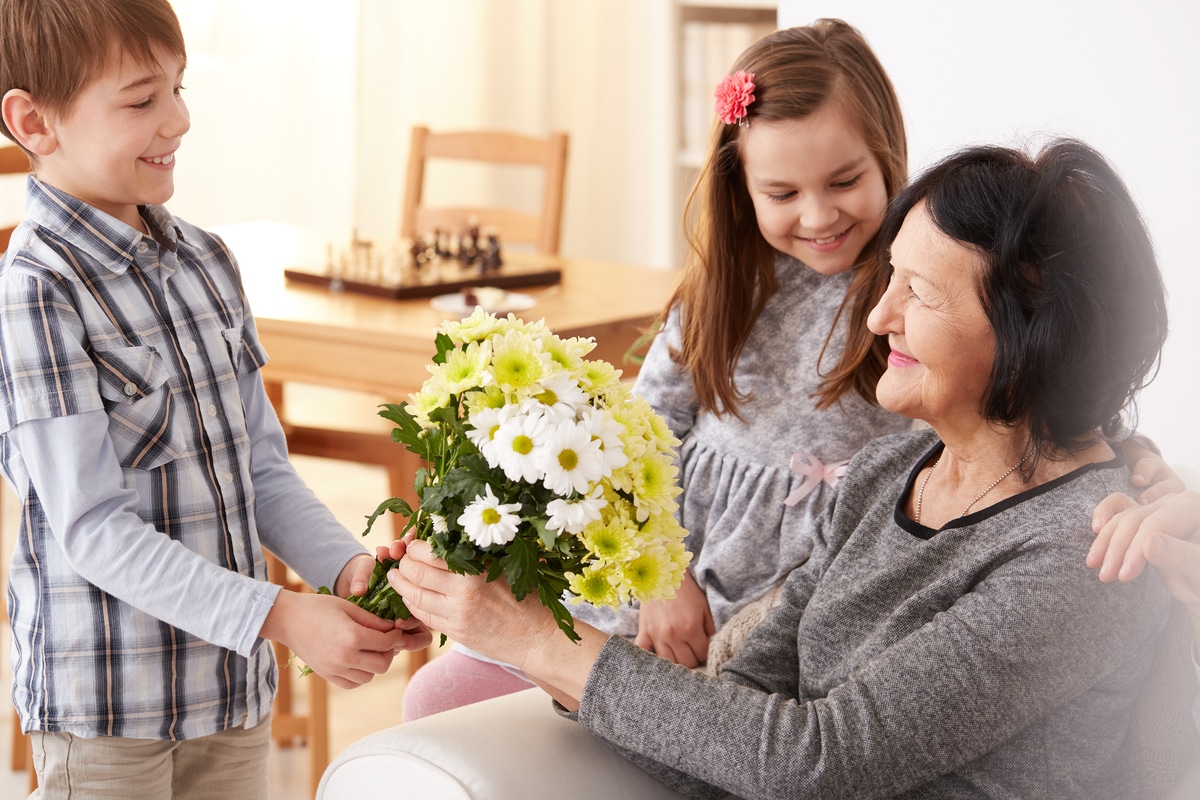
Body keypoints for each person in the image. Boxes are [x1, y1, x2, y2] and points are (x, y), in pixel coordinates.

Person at [399, 18, 1179, 722]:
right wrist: (659, 579)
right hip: (672, 577)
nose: (817, 216)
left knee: (696, 708)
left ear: (886, 157)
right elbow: (641, 436)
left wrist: (1145, 471)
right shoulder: (726, 290)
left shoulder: (920, 291)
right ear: (743, 188)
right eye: (782, 192)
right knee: (442, 692)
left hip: (789, 600)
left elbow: (1050, 401)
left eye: (844, 182)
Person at [0, 0, 430, 795]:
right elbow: (92, 529)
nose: (181, 118)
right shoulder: (36, 289)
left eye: (179, 88)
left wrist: (347, 573)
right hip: (109, 710)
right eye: (141, 100)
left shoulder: (206, 262)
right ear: (34, 121)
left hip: (229, 694)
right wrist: (282, 616)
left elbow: (262, 470)